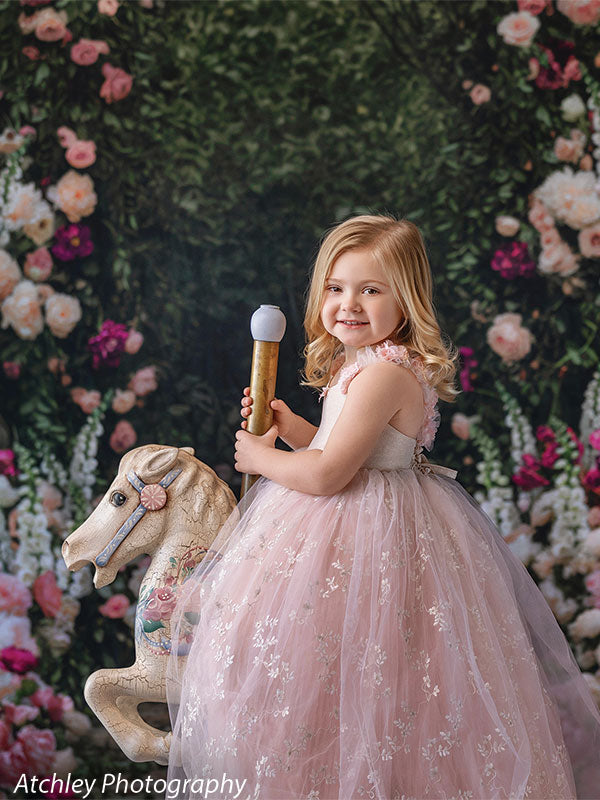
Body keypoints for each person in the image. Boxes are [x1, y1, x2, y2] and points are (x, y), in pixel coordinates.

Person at [165, 214, 600, 800]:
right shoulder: (364, 364)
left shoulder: (384, 375)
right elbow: (344, 448)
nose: (349, 304)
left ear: (407, 300)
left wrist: (259, 458)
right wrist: (290, 428)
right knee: (325, 675)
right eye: (336, 287)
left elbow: (329, 474)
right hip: (356, 517)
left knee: (370, 672)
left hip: (367, 535)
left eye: (371, 290)